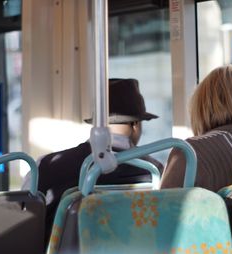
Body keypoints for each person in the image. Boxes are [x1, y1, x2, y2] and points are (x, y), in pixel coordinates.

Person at [23, 78, 163, 242]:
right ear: (136, 124)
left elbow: (26, 225)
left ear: (95, 124)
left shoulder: (45, 166)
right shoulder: (156, 171)